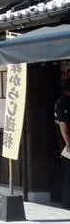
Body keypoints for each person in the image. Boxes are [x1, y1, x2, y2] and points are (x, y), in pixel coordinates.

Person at [54, 78, 70, 209]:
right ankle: (67, 202)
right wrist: (68, 144)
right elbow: (63, 124)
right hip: (66, 144)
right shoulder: (63, 102)